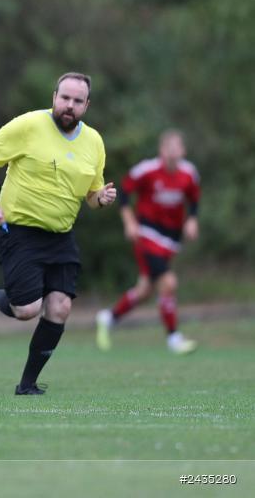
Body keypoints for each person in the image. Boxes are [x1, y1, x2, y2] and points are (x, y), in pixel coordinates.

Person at [0, 72, 117, 395]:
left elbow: (91, 194)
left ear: (87, 106)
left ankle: (27, 385)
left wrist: (100, 198)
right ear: (54, 97)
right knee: (26, 310)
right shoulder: (30, 125)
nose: (69, 106)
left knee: (60, 307)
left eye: (77, 101)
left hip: (61, 235)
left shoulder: (94, 142)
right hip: (19, 231)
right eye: (65, 98)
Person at [96, 130, 200, 354]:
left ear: (183, 150)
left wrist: (192, 220)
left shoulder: (189, 173)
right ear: (161, 150)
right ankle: (174, 338)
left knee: (144, 290)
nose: (172, 153)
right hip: (147, 235)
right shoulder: (146, 170)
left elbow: (194, 200)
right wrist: (129, 223)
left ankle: (108, 318)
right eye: (168, 148)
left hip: (171, 240)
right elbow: (123, 193)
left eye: (177, 148)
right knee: (168, 283)